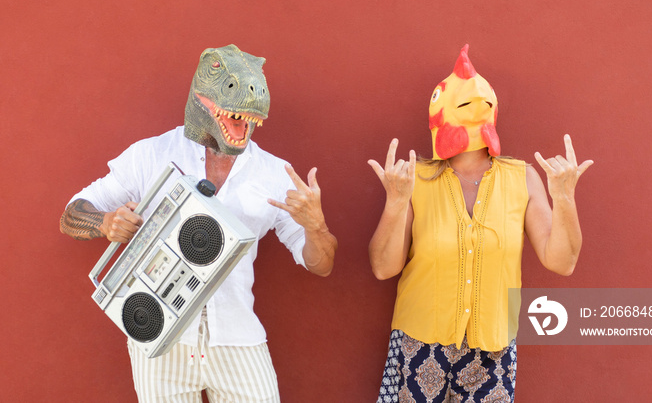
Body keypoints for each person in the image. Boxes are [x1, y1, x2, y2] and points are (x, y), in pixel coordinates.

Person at [60, 44, 337, 402]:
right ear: (200, 92)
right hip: (157, 336)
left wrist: (315, 227)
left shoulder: (275, 174)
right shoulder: (152, 154)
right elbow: (71, 213)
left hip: (237, 339)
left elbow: (322, 265)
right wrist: (105, 222)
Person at [368, 44, 592, 402]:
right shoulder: (414, 179)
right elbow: (382, 267)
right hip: (418, 346)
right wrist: (396, 202)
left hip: (493, 354)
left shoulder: (524, 178)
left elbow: (562, 261)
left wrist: (564, 199)